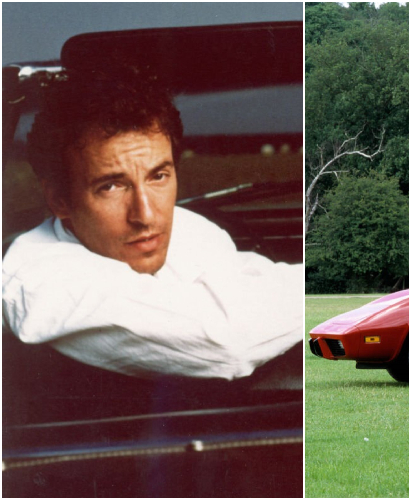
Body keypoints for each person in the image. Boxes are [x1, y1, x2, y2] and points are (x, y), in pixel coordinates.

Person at [2, 70, 303, 380]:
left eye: (158, 176)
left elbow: (248, 279)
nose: (145, 215)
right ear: (59, 200)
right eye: (111, 186)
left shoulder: (188, 229)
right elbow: (228, 344)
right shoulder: (42, 283)